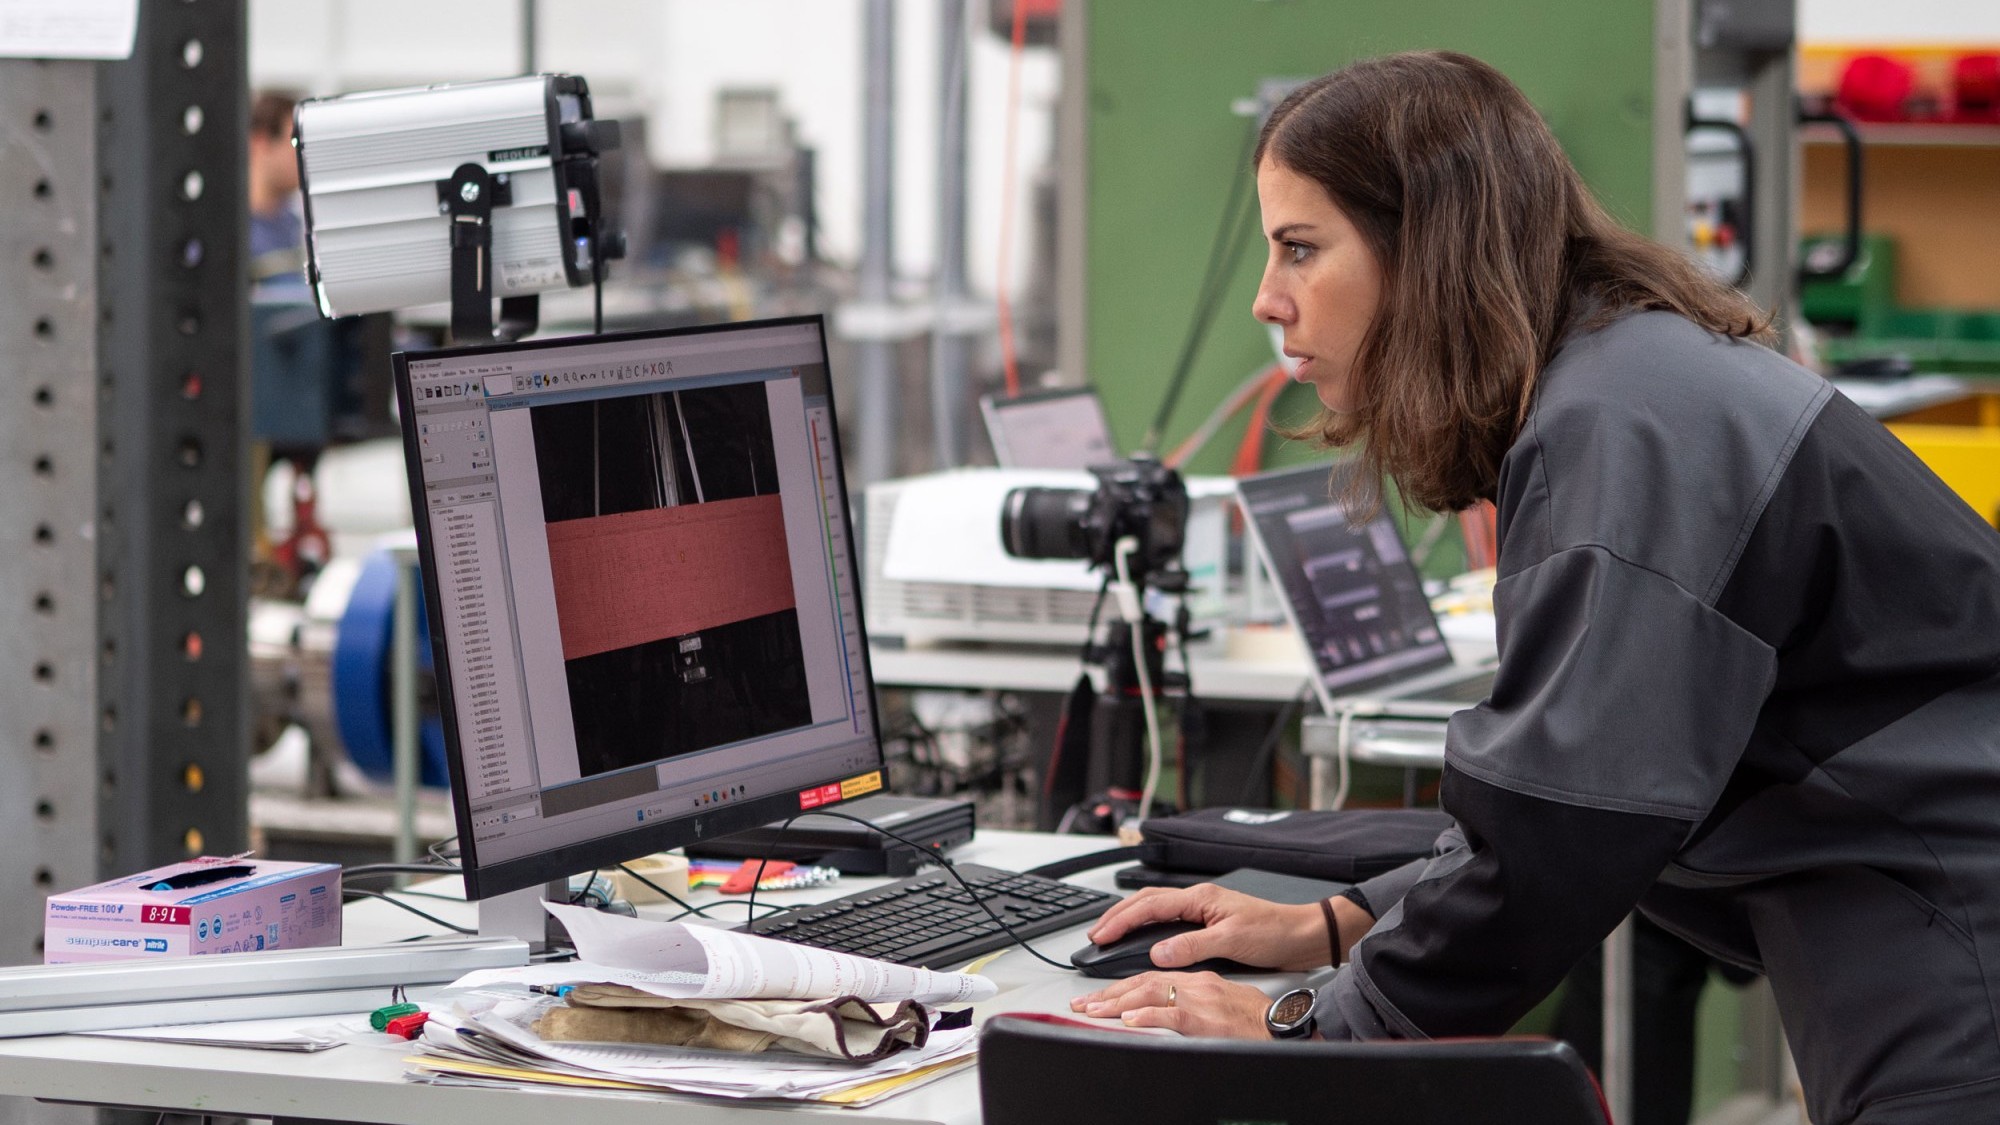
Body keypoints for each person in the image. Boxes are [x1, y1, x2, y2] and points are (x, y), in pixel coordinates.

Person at [1072, 50, 2000, 1125]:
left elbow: (1559, 834)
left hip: (1952, 936)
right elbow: (1555, 811)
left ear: (1421, 247)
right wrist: (1338, 922)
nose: (1265, 299)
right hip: (1915, 914)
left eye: (1299, 248)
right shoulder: (1626, 374)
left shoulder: (1616, 423)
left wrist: (1312, 1028)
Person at [248, 89, 306, 285]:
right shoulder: (230, 232)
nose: (302, 156)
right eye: (295, 142)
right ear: (261, 141)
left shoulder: (294, 226)